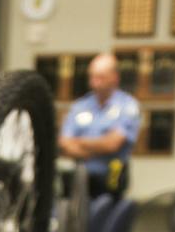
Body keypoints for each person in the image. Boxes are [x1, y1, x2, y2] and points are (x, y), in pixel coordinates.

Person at [58, 53, 142, 198]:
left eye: (100, 77)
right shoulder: (80, 106)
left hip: (111, 181)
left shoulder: (128, 106)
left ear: (114, 77)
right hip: (80, 180)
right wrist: (99, 146)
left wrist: (79, 144)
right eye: (92, 77)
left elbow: (113, 144)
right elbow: (64, 144)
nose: (95, 82)